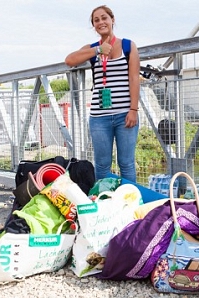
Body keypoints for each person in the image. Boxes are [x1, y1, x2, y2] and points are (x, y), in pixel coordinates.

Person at [65, 5, 140, 182]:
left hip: (125, 114)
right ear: (94, 26)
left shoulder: (128, 46)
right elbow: (69, 60)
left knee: (126, 163)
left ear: (112, 20)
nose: (101, 22)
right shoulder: (92, 48)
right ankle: (104, 201)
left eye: (104, 18)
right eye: (96, 20)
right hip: (99, 117)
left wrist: (133, 110)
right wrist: (98, 50)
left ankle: (130, 202)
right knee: (102, 164)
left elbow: (134, 79)